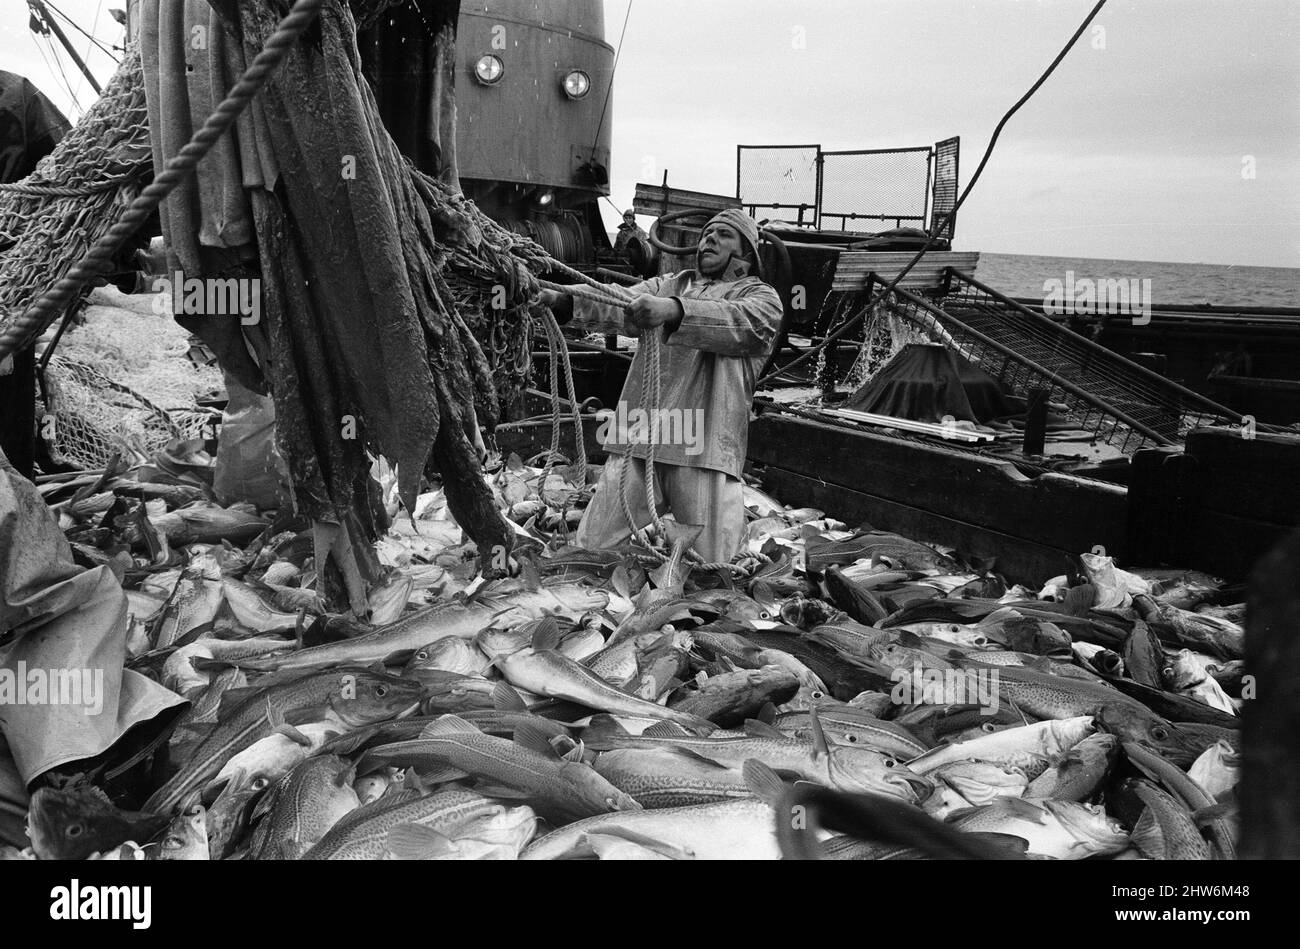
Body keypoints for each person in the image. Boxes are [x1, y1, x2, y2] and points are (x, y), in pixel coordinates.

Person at [538, 208, 783, 562]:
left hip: (703, 447)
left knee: (712, 566)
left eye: (723, 234)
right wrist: (561, 298)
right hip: (641, 439)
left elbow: (744, 325)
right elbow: (615, 301)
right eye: (706, 233)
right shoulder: (669, 283)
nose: (709, 239)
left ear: (747, 252)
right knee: (589, 552)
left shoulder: (761, 297)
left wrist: (673, 311)